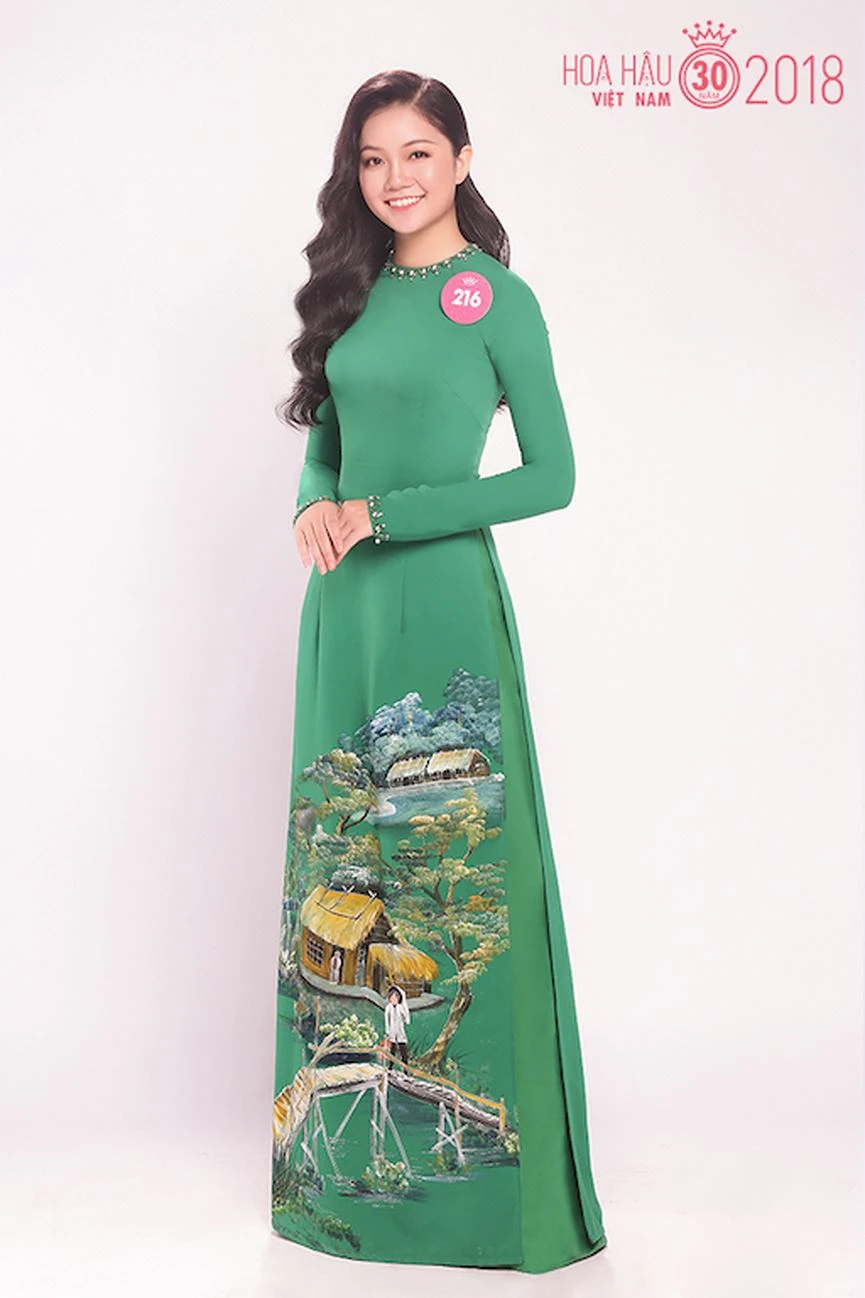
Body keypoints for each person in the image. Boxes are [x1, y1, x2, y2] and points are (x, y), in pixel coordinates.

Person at [271, 68, 607, 1274]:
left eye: (417, 152)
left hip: (443, 608)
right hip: (344, 607)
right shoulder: (351, 291)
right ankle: (338, 1195)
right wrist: (315, 506)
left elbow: (551, 475)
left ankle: (484, 1201)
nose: (394, 177)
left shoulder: (498, 302)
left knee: (451, 862)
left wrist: (386, 512)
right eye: (372, 158)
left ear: (461, 158)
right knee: (342, 860)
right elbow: (326, 439)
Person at [383, 983, 410, 1070]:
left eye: (395, 998)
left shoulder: (400, 1007)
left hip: (400, 1032)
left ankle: (405, 1069)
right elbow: (387, 1020)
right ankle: (390, 1067)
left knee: (403, 1051)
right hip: (392, 1033)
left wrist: (404, 1004)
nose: (393, 1000)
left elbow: (407, 1019)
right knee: (392, 1051)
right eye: (392, 998)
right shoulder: (388, 1008)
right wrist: (387, 1031)